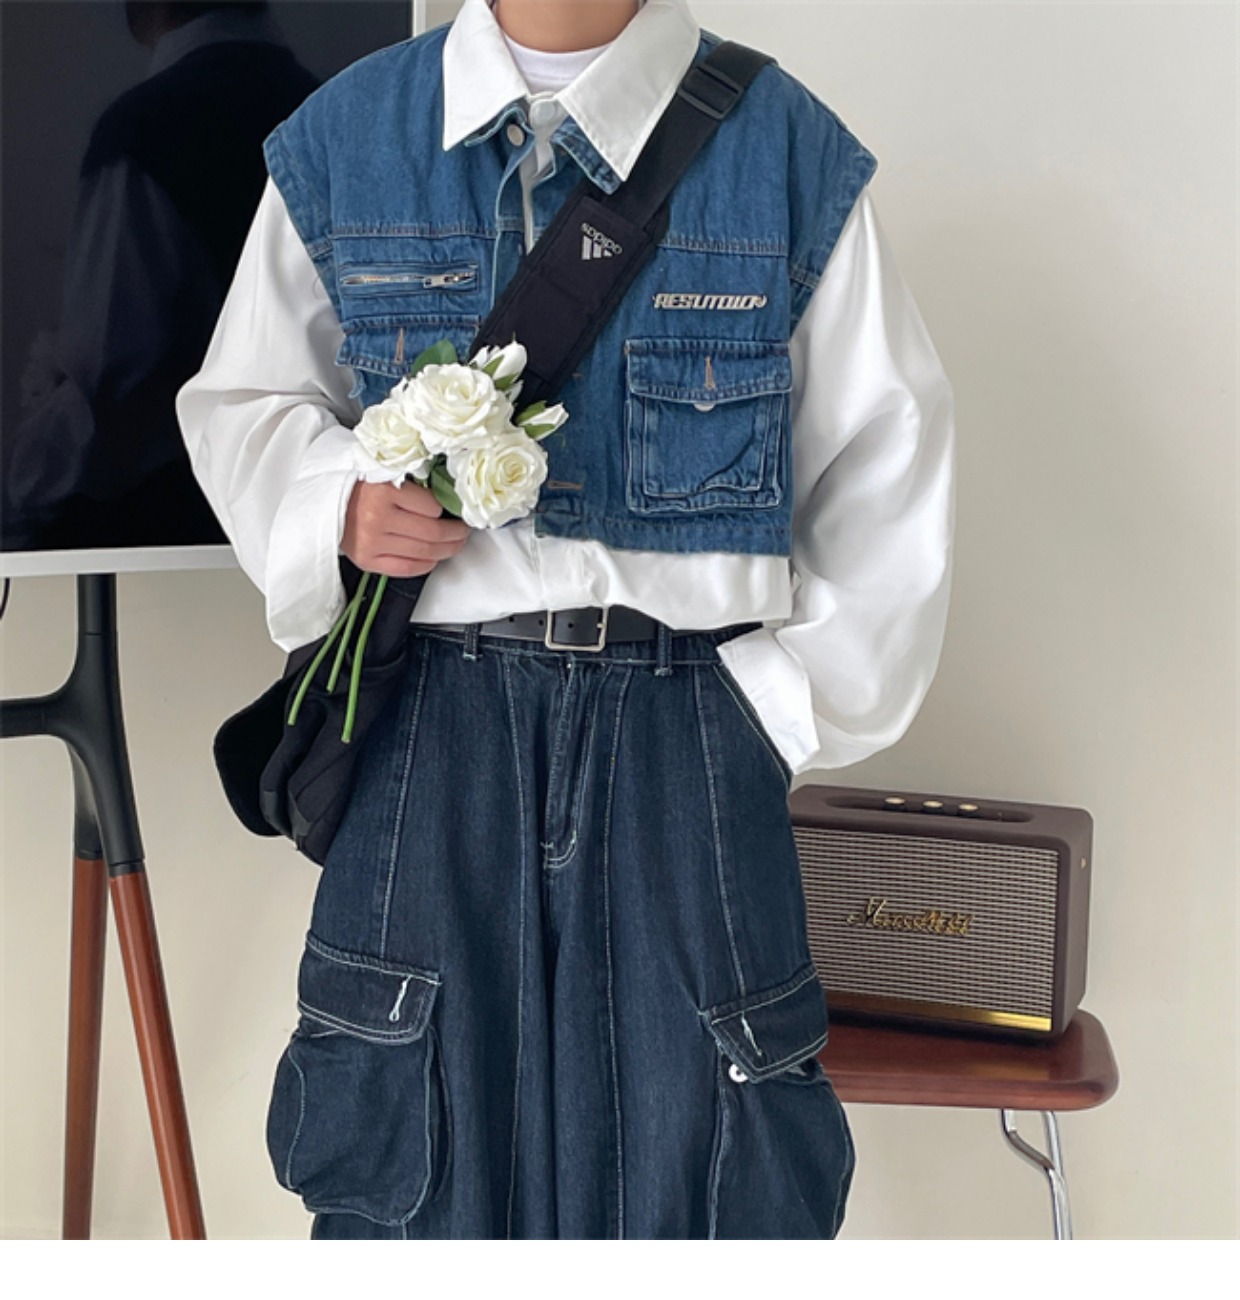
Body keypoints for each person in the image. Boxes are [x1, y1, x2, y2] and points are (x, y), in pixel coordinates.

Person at [176, 0, 955, 1239]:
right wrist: (337, 505)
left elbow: (888, 460)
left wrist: (773, 711)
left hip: (685, 735)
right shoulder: (344, 139)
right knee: (414, 1162)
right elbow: (242, 404)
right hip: (431, 728)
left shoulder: (787, 150)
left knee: (704, 1173)